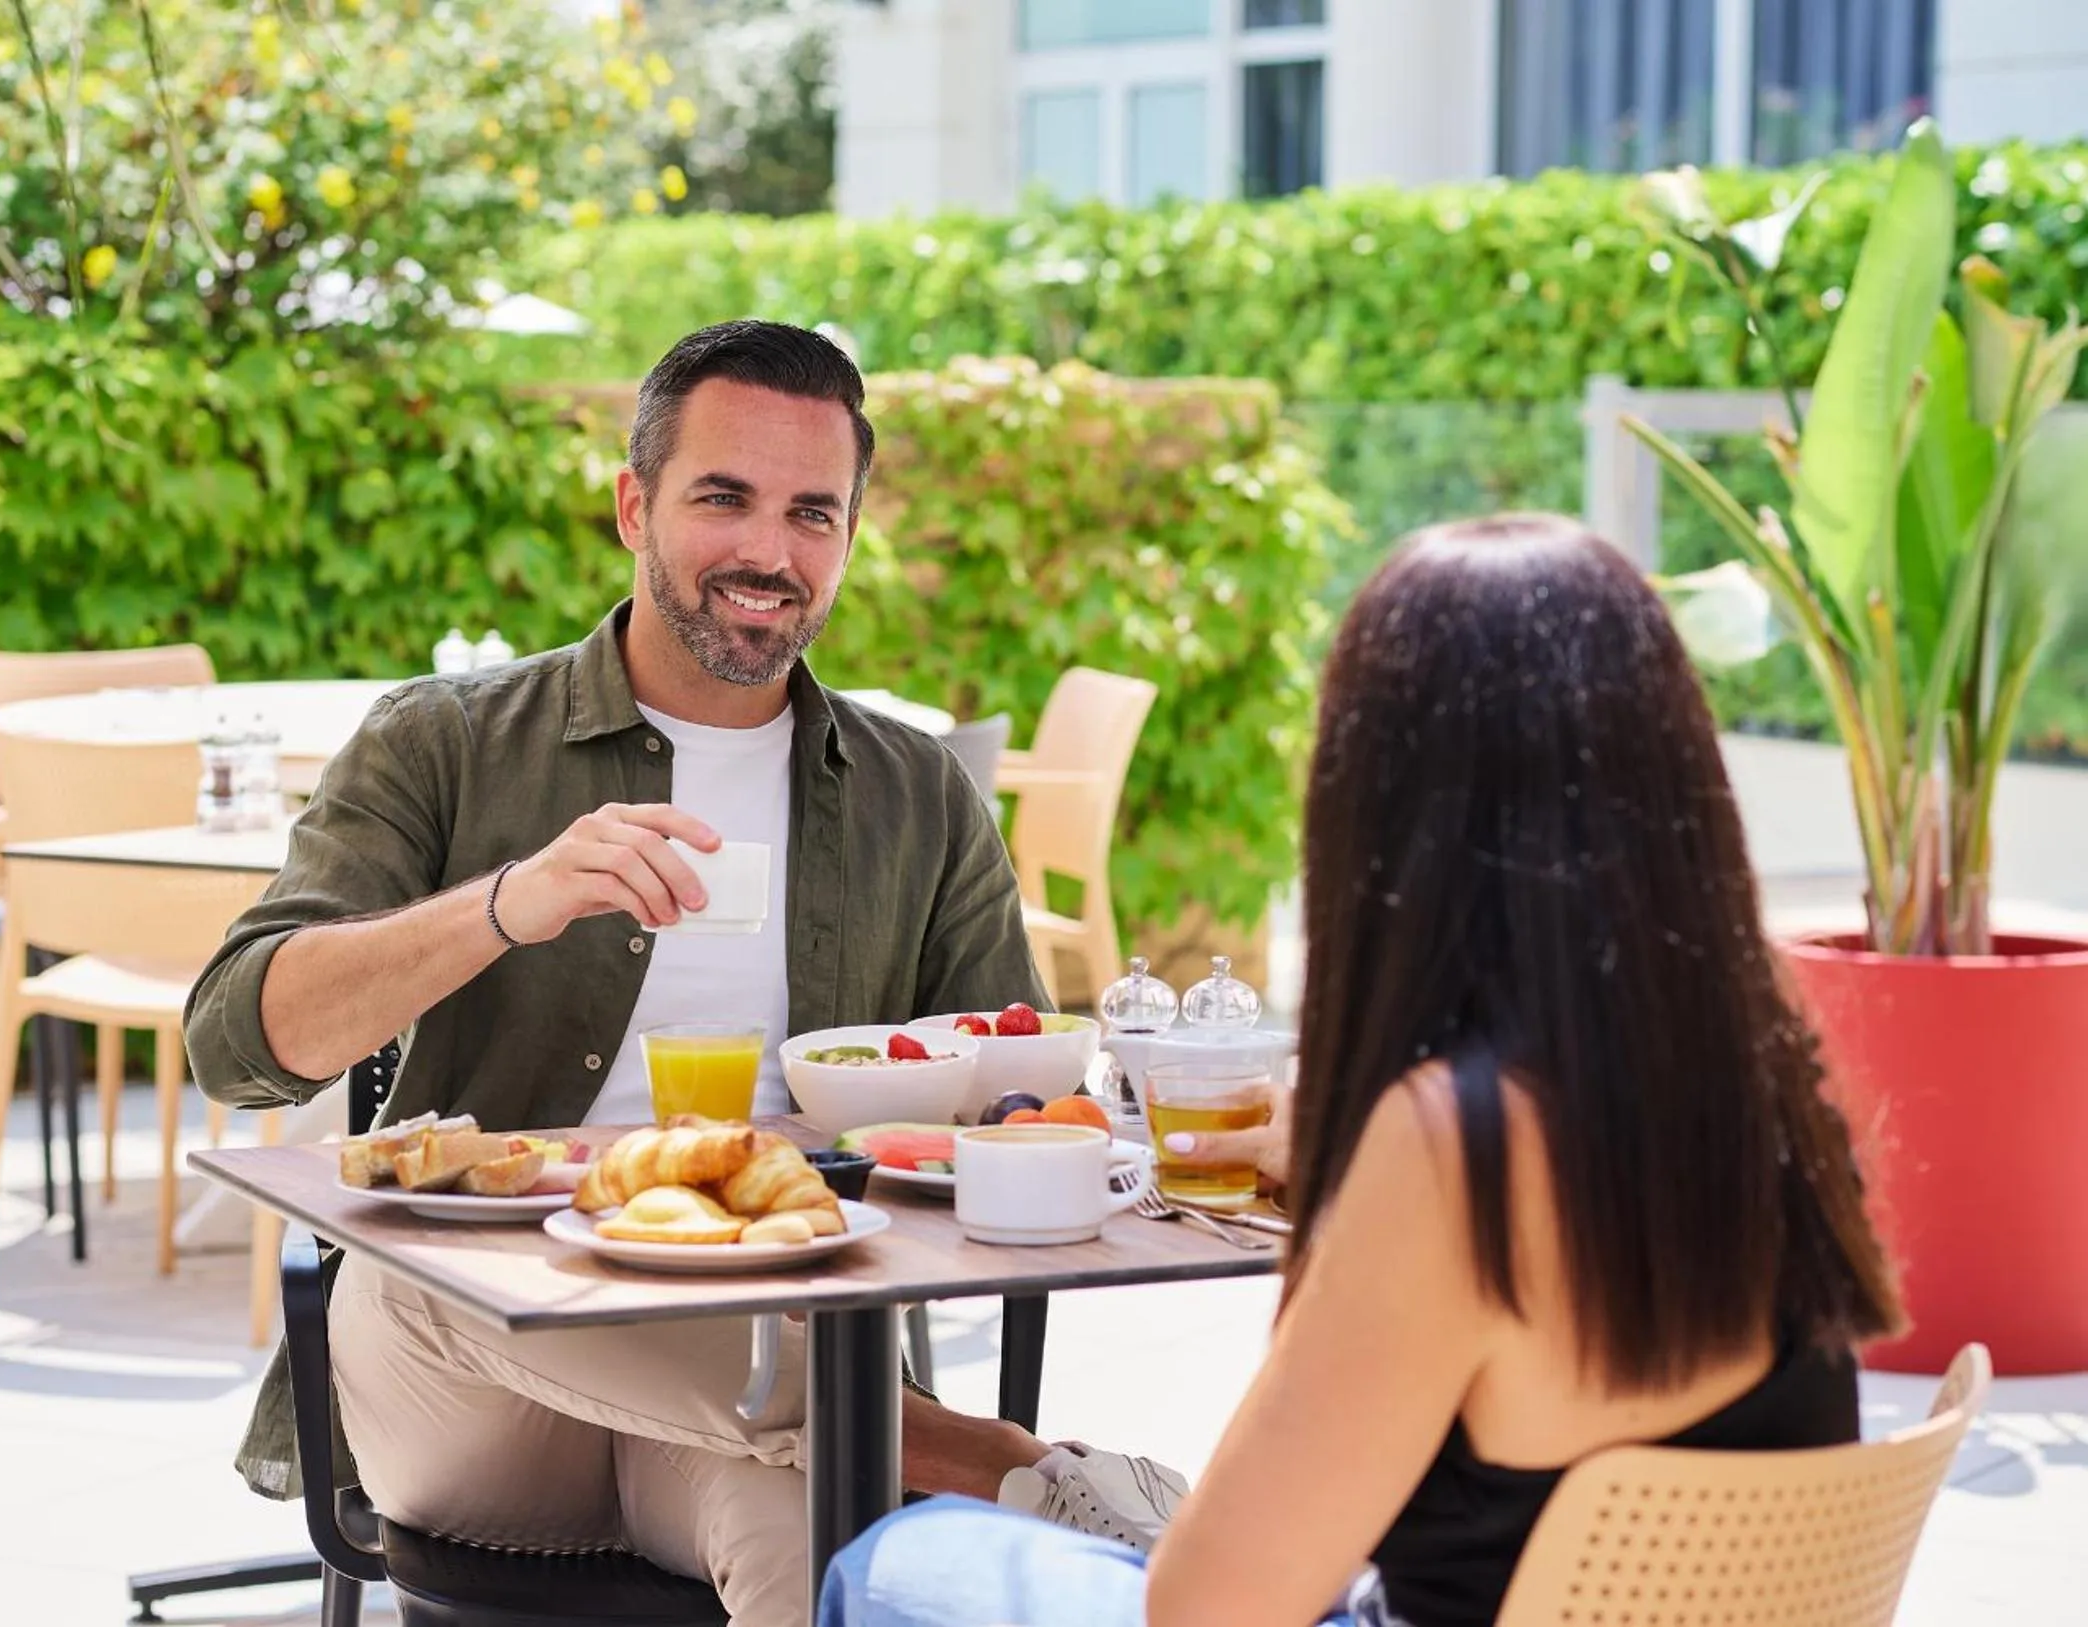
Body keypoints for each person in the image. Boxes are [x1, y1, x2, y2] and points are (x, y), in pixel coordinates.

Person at [184, 320, 1187, 1625]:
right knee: (423, 1262)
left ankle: (915, 1445)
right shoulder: (444, 743)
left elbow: (997, 1096)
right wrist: (507, 903)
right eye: (724, 497)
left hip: (761, 1383)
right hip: (469, 1388)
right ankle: (1001, 1462)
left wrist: (1077, 1126)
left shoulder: (914, 792)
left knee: (810, 1534)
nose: (770, 552)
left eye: (812, 512)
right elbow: (235, 1040)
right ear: (631, 505)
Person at [817, 513, 1906, 1627]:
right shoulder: (1766, 1088)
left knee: (899, 1562)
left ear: (1383, 808)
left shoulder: (1458, 1146)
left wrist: (1356, 1211)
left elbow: (1206, 1606)